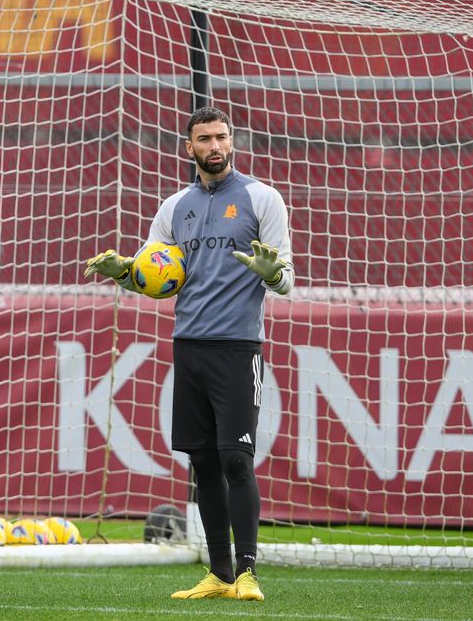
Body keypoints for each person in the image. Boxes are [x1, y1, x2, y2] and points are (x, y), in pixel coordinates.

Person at [84, 106, 293, 602]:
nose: (215, 146)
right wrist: (123, 273)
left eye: (221, 137)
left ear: (231, 141)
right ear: (189, 146)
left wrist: (271, 273)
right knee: (203, 462)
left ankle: (247, 573)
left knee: (236, 459)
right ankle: (218, 574)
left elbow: (286, 280)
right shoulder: (174, 206)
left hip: (238, 348)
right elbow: (153, 277)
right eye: (205, 139)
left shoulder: (263, 198)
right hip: (189, 346)